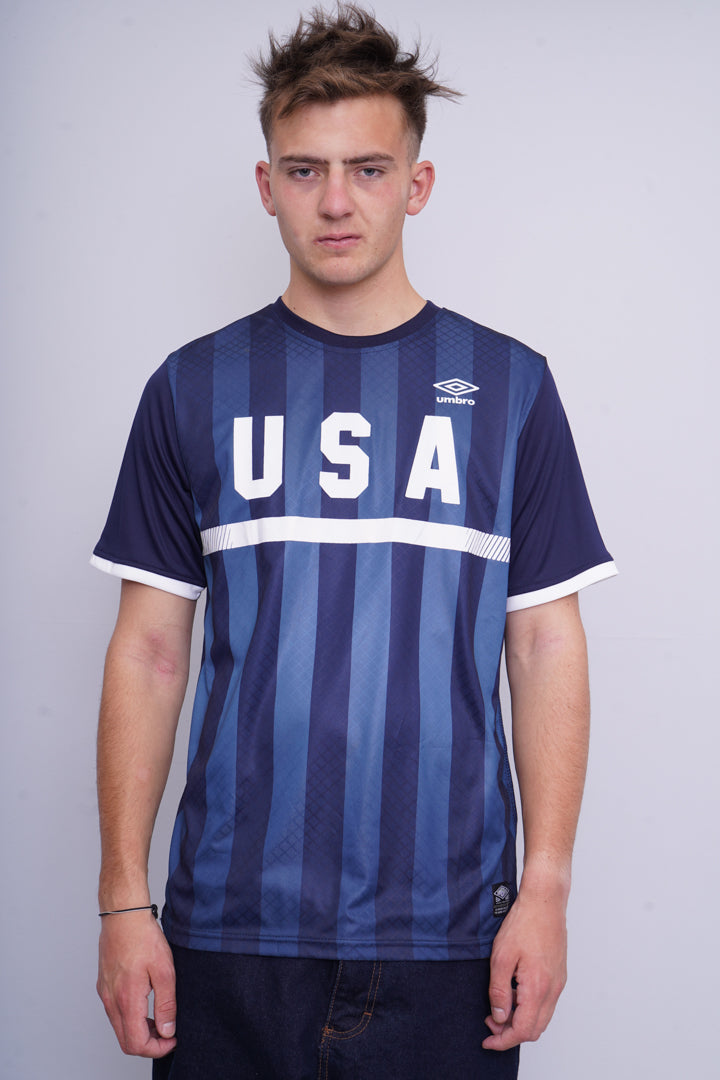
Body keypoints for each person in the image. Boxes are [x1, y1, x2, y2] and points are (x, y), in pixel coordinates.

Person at [92, 6, 616, 1078]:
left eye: (368, 169)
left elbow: (544, 645)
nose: (336, 201)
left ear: (416, 184)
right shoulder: (191, 387)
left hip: (452, 935)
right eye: (306, 170)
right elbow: (148, 652)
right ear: (266, 183)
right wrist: (122, 903)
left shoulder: (511, 388)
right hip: (227, 930)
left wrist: (548, 891)